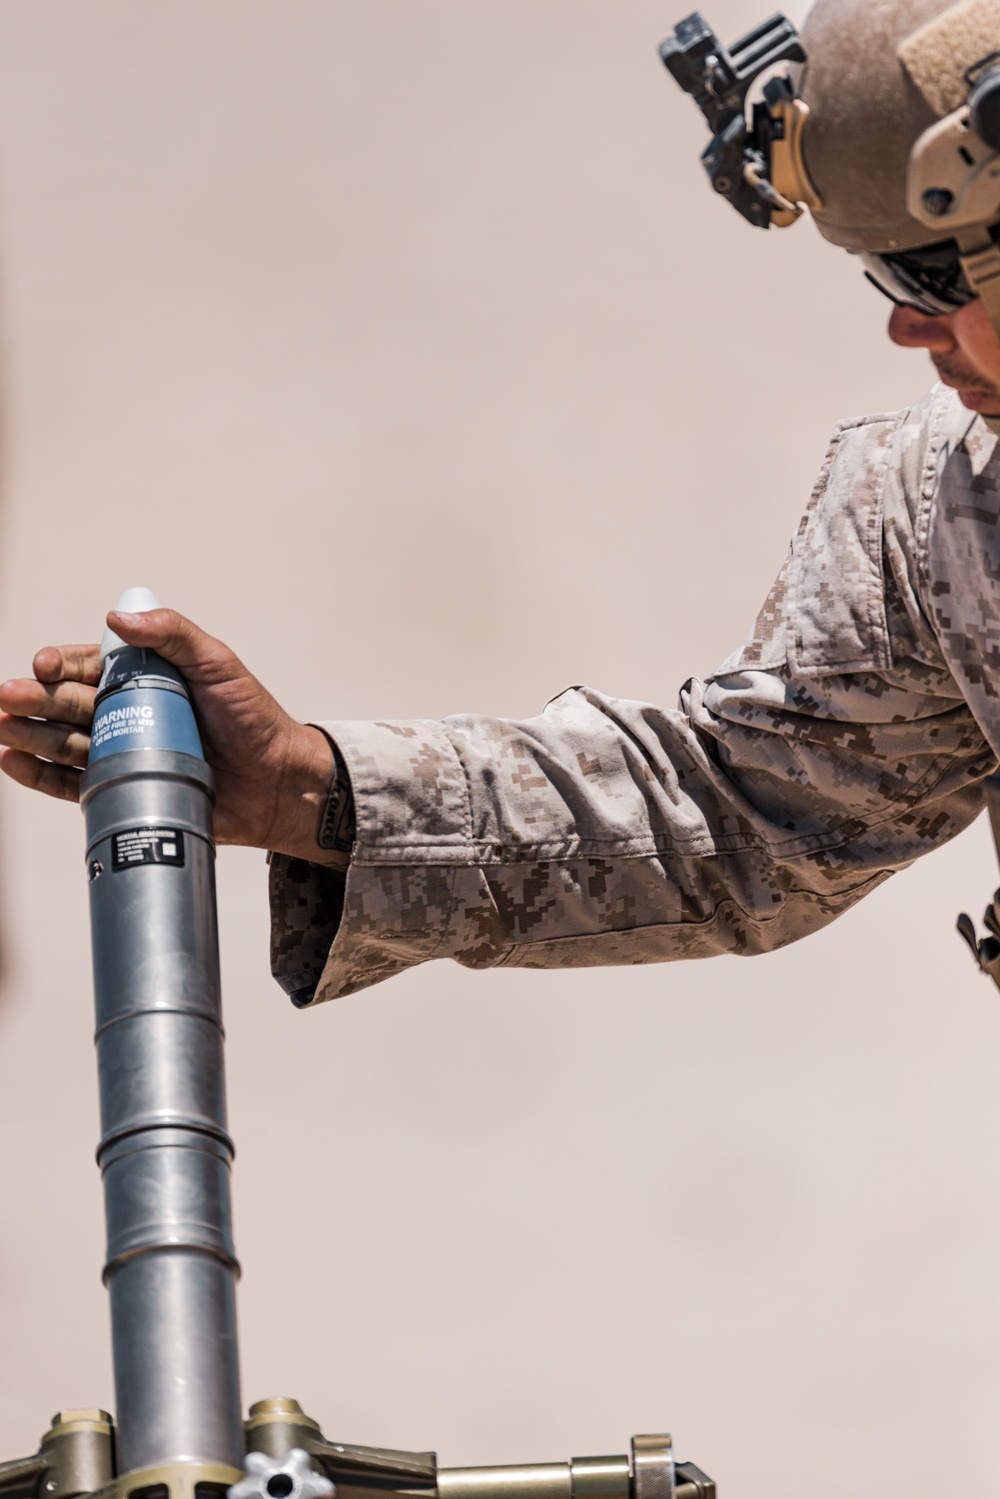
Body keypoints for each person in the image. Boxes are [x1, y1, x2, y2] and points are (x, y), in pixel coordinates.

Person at [2, 0, 1000, 1011]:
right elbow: (746, 807)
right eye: (877, 270)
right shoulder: (945, 508)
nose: (904, 329)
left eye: (930, 269)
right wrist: (309, 787)